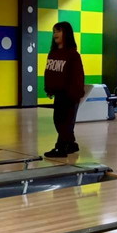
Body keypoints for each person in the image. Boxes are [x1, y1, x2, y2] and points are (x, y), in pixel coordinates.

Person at [43, 21, 85, 158]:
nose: (55, 34)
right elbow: (49, 73)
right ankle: (71, 144)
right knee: (58, 120)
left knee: (64, 122)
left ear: (66, 34)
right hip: (59, 94)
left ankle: (60, 148)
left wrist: (76, 94)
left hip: (70, 95)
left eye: (59, 31)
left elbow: (78, 76)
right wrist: (49, 88)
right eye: (54, 31)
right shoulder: (53, 53)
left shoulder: (73, 55)